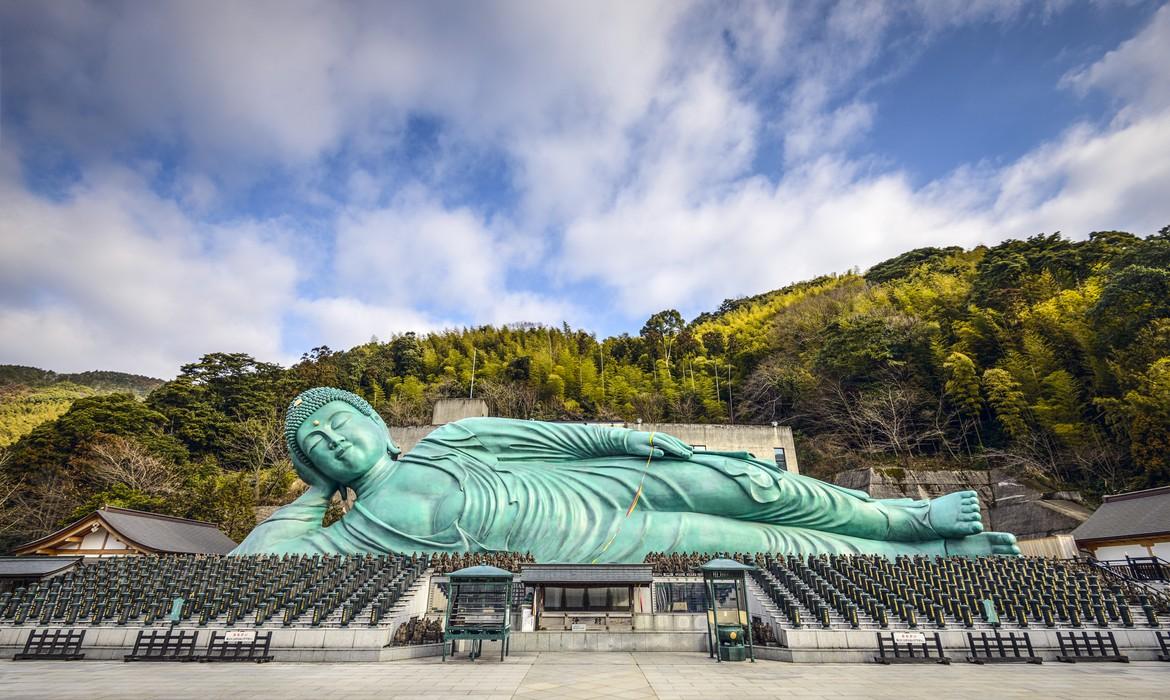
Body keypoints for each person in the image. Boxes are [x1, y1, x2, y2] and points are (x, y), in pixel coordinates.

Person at [231, 387, 1019, 561]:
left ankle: (903, 519)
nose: (334, 441)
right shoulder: (355, 533)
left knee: (752, 486)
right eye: (317, 445)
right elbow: (257, 563)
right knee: (759, 546)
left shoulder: (455, 437)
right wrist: (314, 493)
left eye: (341, 423)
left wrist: (640, 442)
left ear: (374, 419)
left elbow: (562, 439)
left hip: (605, 485)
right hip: (601, 540)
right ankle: (920, 556)